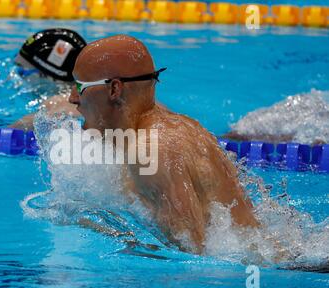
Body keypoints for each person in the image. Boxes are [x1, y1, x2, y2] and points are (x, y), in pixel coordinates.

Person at [68, 35, 260, 254]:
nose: (72, 98)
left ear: (114, 89)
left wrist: (100, 228)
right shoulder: (182, 126)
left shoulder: (148, 151)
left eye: (79, 86)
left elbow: (189, 255)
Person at [9, 28, 85, 131]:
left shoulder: (55, 108)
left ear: (50, 77)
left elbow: (10, 133)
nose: (12, 77)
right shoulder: (93, 100)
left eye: (21, 71)